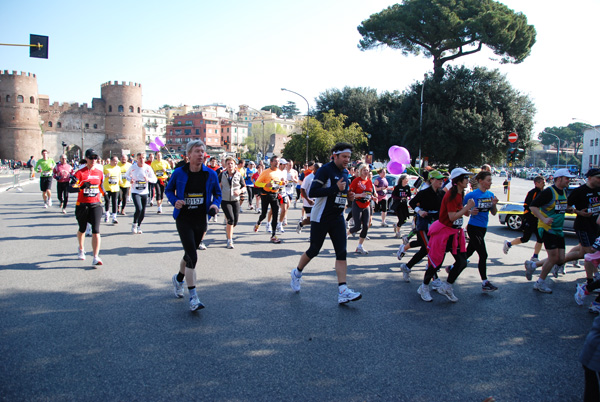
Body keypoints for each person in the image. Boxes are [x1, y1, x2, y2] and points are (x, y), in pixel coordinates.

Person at [289, 142, 362, 304]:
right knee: (314, 249)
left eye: (349, 157)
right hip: (321, 217)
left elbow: (342, 193)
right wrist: (335, 188)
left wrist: (348, 196)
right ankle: (297, 273)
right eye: (344, 157)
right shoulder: (324, 170)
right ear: (334, 156)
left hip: (337, 217)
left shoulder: (345, 172)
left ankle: (343, 290)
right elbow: (313, 192)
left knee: (341, 252)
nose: (346, 160)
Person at [167, 140, 221, 311]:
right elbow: (169, 190)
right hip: (184, 219)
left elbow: (217, 194)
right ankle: (193, 298)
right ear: (188, 155)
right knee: (193, 256)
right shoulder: (178, 173)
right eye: (197, 151)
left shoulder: (210, 174)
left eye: (202, 151)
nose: (201, 154)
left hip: (200, 219)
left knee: (189, 254)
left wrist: (215, 205)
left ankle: (179, 279)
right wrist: (175, 201)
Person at [417, 168, 475, 302]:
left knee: (462, 261)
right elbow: (452, 216)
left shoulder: (460, 194)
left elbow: (458, 210)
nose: (468, 180)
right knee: (436, 263)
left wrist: (469, 211)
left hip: (455, 232)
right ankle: (424, 287)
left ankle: (447, 287)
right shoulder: (451, 195)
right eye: (465, 178)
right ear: (459, 180)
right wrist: (467, 208)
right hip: (443, 232)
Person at [524, 169, 576, 293]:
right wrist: (544, 218)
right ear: (559, 179)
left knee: (561, 259)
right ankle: (540, 283)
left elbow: (561, 208)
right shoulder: (549, 192)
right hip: (547, 228)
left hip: (558, 229)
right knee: (553, 258)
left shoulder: (563, 191)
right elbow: (532, 206)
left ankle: (532, 265)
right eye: (567, 178)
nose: (569, 180)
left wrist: (571, 210)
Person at [398, 170, 446, 283]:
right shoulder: (424, 192)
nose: (441, 181)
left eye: (441, 179)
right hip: (424, 224)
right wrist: (420, 212)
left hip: (436, 225)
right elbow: (412, 203)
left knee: (425, 250)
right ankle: (435, 279)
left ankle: (407, 267)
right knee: (430, 249)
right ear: (432, 180)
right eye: (438, 179)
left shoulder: (442, 193)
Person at [559, 168, 600, 277]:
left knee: (582, 253)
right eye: (598, 178)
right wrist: (578, 212)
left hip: (596, 226)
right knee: (591, 253)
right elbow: (566, 207)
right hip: (583, 226)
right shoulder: (579, 191)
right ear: (590, 178)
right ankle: (593, 280)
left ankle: (559, 262)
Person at [462, 170, 499, 292]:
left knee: (469, 252)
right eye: (488, 180)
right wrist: (469, 211)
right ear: (480, 181)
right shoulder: (472, 195)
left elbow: (493, 213)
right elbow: (459, 207)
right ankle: (485, 282)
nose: (490, 183)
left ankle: (452, 268)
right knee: (483, 255)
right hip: (473, 227)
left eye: (491, 181)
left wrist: (494, 204)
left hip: (483, 228)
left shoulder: (490, 194)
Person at [503, 176, 545, 260]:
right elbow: (527, 205)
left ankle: (535, 256)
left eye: (544, 182)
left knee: (540, 238)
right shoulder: (532, 193)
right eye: (542, 182)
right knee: (525, 239)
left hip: (539, 220)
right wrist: (531, 215)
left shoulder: (544, 192)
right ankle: (508, 244)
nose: (544, 184)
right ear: (536, 183)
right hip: (531, 219)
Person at [74, 149, 104, 266]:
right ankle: (81, 248)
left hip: (95, 204)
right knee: (82, 229)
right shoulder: (80, 173)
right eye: (91, 158)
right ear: (86, 158)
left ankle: (95, 256)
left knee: (96, 231)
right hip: (82, 205)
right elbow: (71, 187)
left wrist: (105, 195)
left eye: (95, 158)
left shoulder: (99, 172)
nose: (93, 160)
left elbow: (100, 186)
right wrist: (81, 186)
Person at [253, 155, 285, 244]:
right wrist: (265, 185)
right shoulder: (265, 172)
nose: (277, 163)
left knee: (275, 214)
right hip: (265, 195)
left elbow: (279, 183)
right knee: (263, 214)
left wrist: (283, 183)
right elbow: (257, 183)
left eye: (278, 161)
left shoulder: (279, 172)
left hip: (275, 195)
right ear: (271, 162)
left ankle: (273, 235)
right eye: (275, 161)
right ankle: (258, 222)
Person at [126, 153, 157, 234]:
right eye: (140, 158)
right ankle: (134, 224)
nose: (142, 159)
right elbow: (126, 175)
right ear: (137, 159)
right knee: (138, 208)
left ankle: (139, 226)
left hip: (144, 192)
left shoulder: (148, 168)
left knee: (143, 211)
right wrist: (130, 180)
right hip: (135, 191)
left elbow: (154, 179)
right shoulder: (133, 167)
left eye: (143, 158)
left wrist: (148, 179)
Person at [219, 157, 245, 249]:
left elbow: (244, 187)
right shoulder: (222, 174)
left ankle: (228, 229)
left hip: (235, 200)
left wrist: (240, 191)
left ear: (235, 165)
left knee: (235, 221)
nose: (230, 165)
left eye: (231, 163)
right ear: (225, 165)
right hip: (225, 200)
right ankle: (229, 241)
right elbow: (217, 186)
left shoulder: (239, 175)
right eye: (228, 163)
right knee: (230, 219)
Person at [347, 163, 374, 254]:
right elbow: (350, 193)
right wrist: (359, 195)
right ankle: (346, 234)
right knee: (357, 227)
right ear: (360, 171)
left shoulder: (369, 181)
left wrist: (373, 197)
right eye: (364, 170)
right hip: (357, 204)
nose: (366, 172)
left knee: (366, 226)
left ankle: (360, 246)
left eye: (367, 170)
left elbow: (370, 192)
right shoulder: (356, 181)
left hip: (366, 205)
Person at [296, 162, 319, 234]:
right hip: (308, 202)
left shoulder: (322, 177)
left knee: (316, 219)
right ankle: (301, 224)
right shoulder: (308, 178)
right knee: (310, 220)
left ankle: (312, 236)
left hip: (318, 201)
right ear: (314, 169)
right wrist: (308, 199)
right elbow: (302, 189)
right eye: (318, 169)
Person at [390, 174, 411, 239]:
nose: (407, 180)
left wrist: (408, 197)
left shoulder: (407, 187)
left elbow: (409, 195)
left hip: (404, 205)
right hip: (398, 205)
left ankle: (396, 225)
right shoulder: (398, 187)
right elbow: (393, 195)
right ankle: (398, 232)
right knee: (401, 219)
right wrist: (400, 198)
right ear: (402, 179)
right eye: (406, 179)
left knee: (405, 220)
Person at [102, 156, 121, 224]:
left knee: (114, 202)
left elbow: (119, 175)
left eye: (117, 161)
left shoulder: (118, 168)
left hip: (115, 187)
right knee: (107, 201)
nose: (116, 162)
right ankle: (107, 214)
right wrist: (105, 176)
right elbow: (101, 176)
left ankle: (114, 217)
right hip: (107, 187)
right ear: (111, 161)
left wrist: (120, 181)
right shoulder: (105, 167)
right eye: (115, 161)